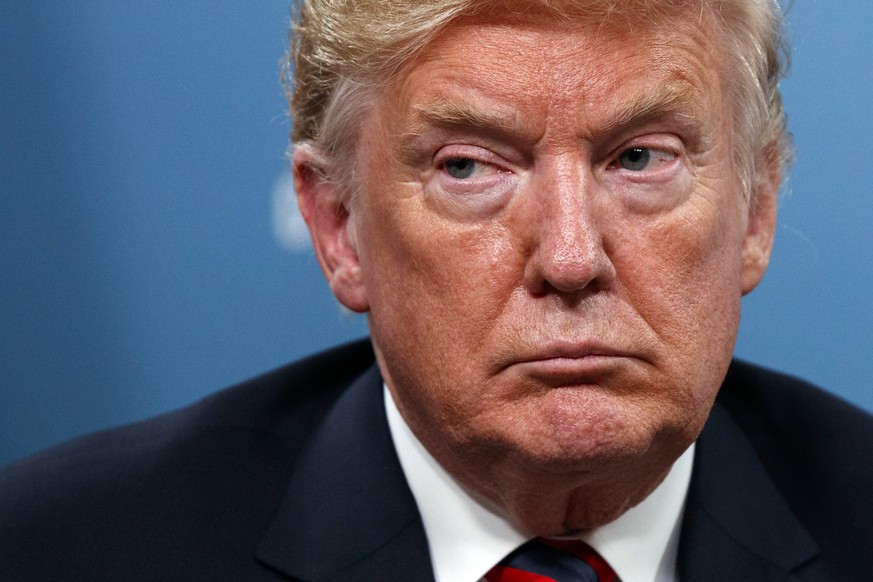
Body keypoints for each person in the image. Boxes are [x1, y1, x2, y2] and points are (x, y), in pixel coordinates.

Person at [2, 0, 872, 580]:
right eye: (467, 167)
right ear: (339, 227)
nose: (570, 258)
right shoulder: (64, 548)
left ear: (755, 210)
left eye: (640, 157)